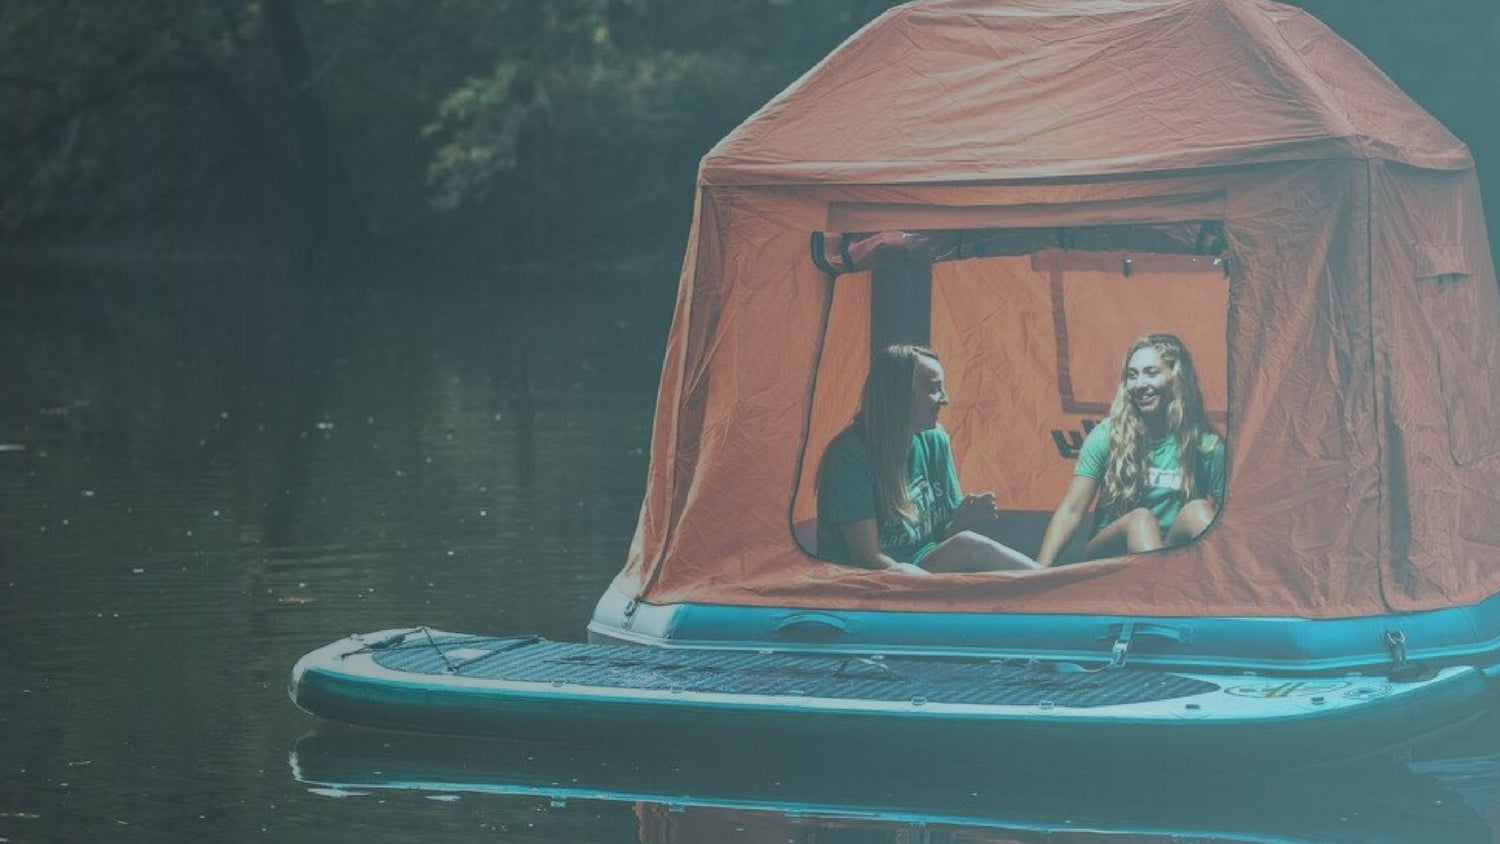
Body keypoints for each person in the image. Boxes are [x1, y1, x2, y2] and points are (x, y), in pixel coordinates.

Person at [816, 344, 1039, 574]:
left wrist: (963, 520)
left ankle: (1052, 586)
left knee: (968, 544)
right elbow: (867, 559)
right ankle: (1053, 586)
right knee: (931, 562)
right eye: (934, 389)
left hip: (925, 573)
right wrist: (929, 588)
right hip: (866, 583)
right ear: (898, 393)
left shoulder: (934, 439)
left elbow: (945, 538)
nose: (945, 399)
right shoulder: (849, 457)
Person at [1035, 333, 1226, 566]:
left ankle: (1234, 598)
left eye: (1152, 373)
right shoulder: (1108, 435)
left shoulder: (1206, 445)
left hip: (1170, 553)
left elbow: (1229, 522)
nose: (1139, 385)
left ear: (1177, 378)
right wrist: (1037, 573)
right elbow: (1072, 511)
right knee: (1140, 519)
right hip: (1110, 555)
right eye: (1132, 376)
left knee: (1200, 510)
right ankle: (1155, 594)